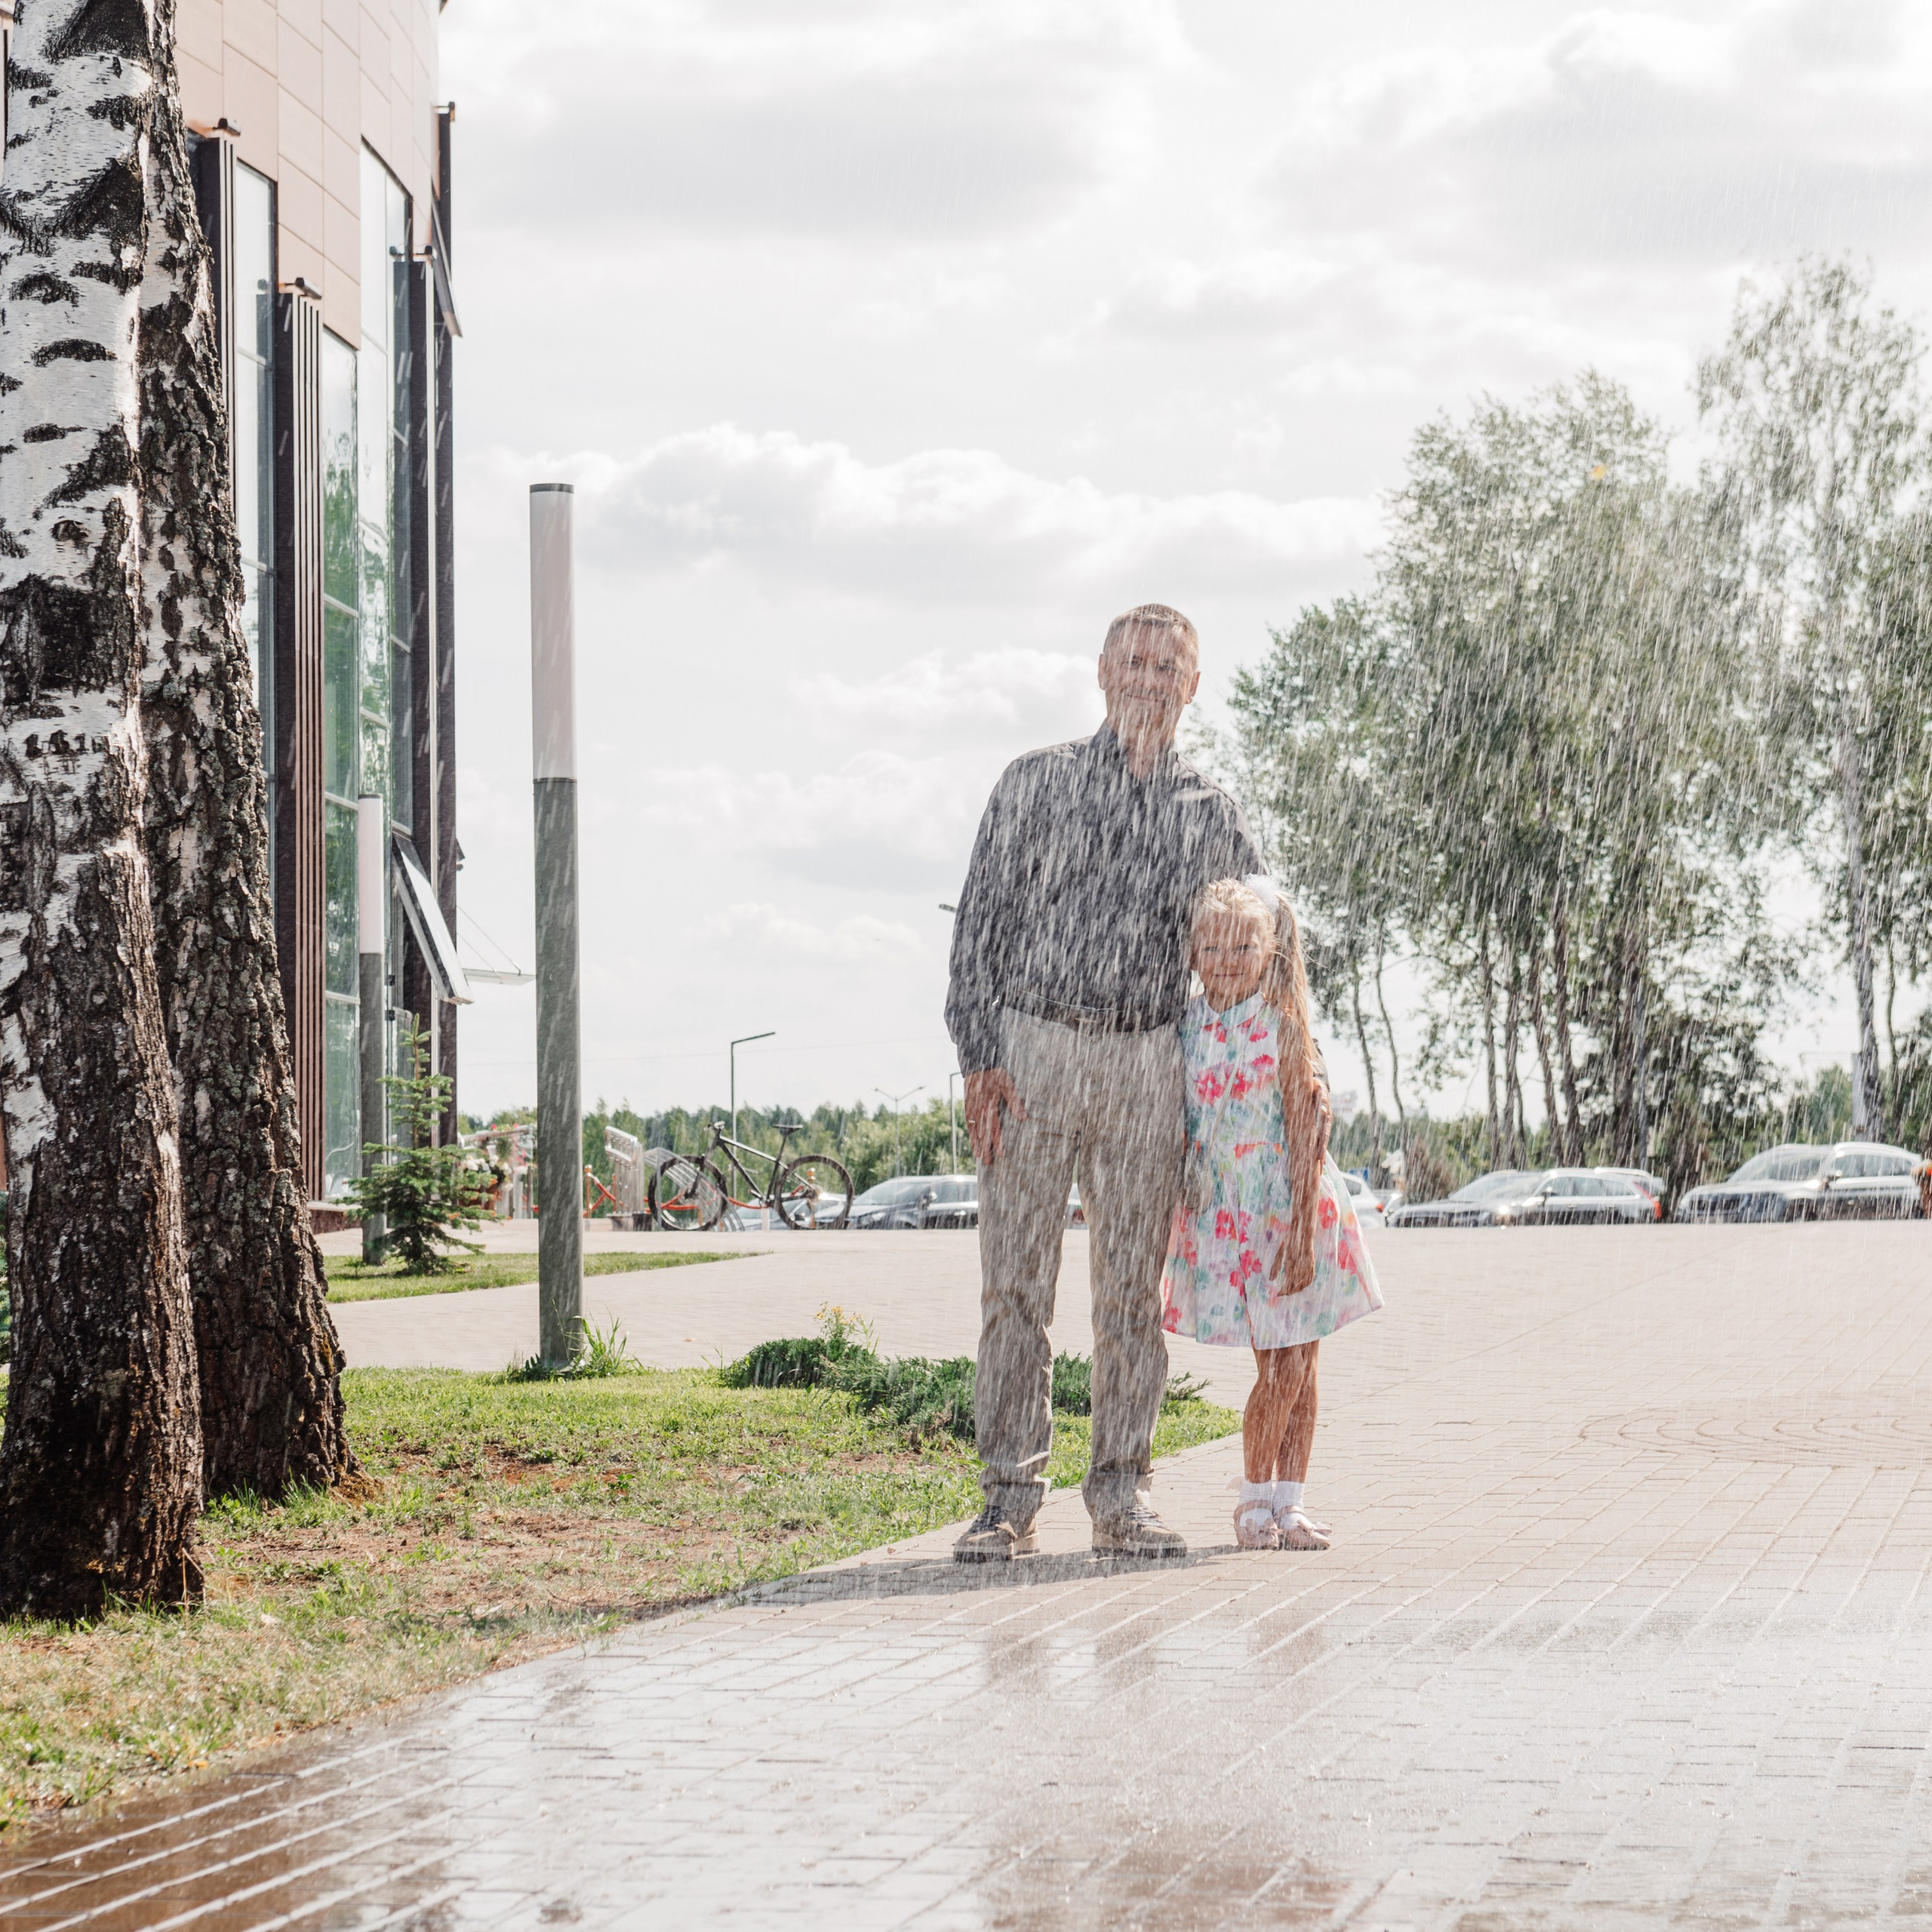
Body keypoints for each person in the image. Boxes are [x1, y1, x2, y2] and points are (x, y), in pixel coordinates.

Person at [946, 605, 1262, 1561]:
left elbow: (1256, 948)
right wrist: (979, 1059)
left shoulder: (1211, 814)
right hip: (1034, 1048)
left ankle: (1122, 1493)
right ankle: (1007, 1496)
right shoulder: (1033, 784)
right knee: (1014, 1290)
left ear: (1192, 685)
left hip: (1146, 1058)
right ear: (1100, 671)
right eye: (1134, 660)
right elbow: (979, 931)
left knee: (1131, 1293)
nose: (1148, 678)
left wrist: (1269, 1079)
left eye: (1169, 665)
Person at [1161, 876, 1383, 1552]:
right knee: (1276, 1366)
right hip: (1231, 1219)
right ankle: (1253, 1496)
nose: (1228, 959)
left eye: (1244, 945)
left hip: (1292, 1211)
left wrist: (1302, 1237)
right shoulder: (1181, 1031)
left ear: (1268, 952)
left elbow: (1305, 1137)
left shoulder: (1282, 1029)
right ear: (1193, 952)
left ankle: (1286, 1503)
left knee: (1301, 1365)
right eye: (1214, 946)